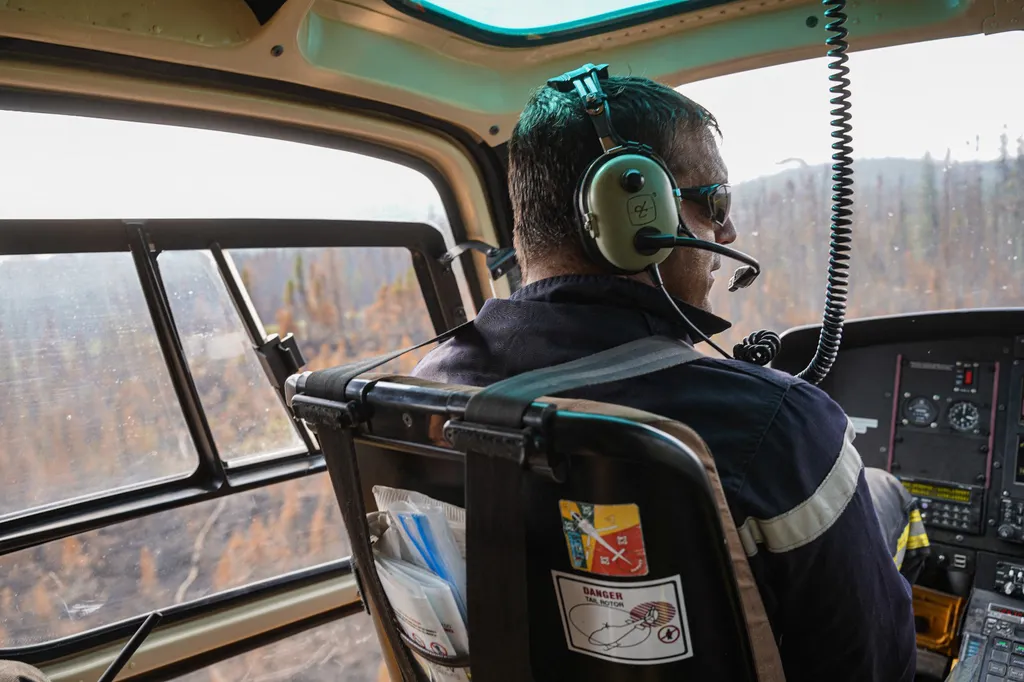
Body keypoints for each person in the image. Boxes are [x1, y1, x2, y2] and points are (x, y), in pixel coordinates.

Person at [412, 74, 917, 681]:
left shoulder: (424, 390)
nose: (727, 234)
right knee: (891, 496)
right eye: (717, 202)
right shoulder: (776, 428)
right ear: (636, 210)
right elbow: (873, 666)